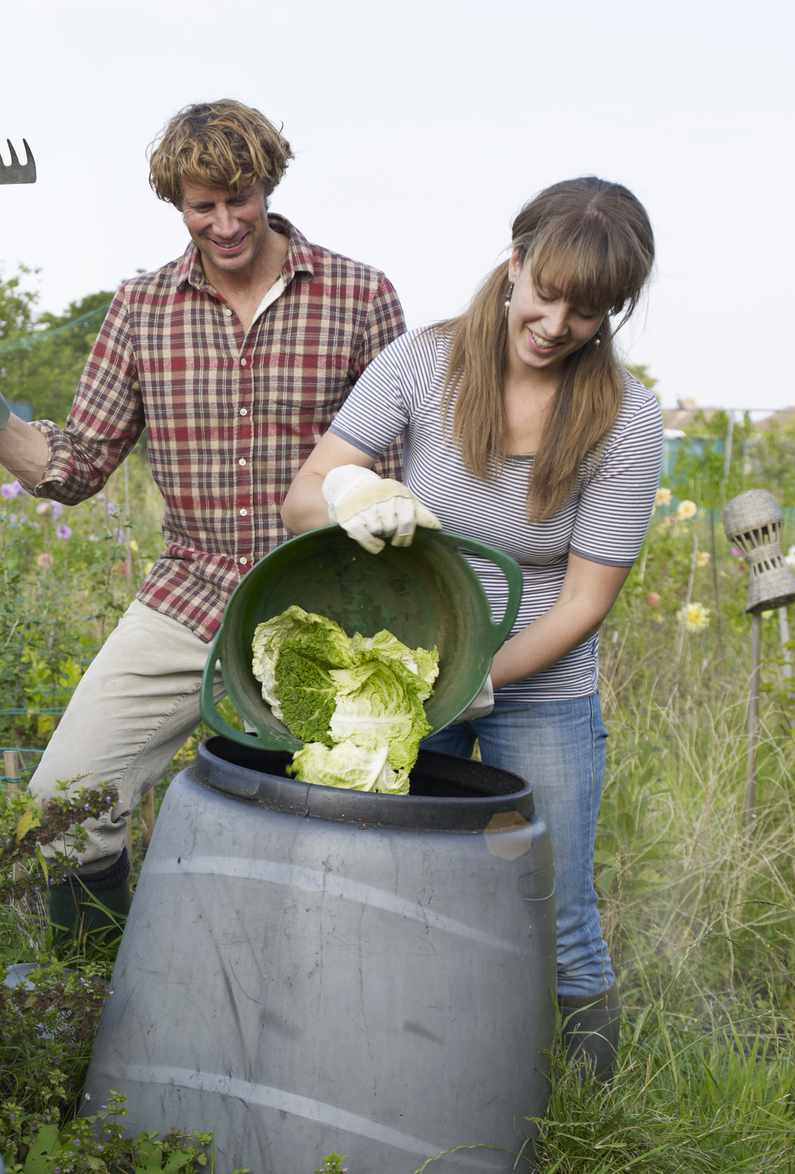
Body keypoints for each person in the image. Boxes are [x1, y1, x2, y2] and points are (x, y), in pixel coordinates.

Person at [0, 99, 406, 946]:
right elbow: (72, 466)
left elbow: (397, 471)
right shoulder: (142, 309)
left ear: (269, 184)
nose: (223, 224)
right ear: (177, 204)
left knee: (335, 833)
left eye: (238, 199)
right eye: (200, 206)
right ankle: (95, 997)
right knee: (66, 802)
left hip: (331, 598)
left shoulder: (360, 296)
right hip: (194, 590)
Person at [281, 177, 662, 1079]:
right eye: (549, 291)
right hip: (408, 668)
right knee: (384, 877)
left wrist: (480, 676)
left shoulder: (627, 415)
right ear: (516, 262)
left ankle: (586, 1108)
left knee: (558, 902)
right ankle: (378, 1068)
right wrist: (352, 492)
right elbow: (303, 495)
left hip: (542, 689)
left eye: (590, 309)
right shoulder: (424, 363)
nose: (558, 323)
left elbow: (584, 599)